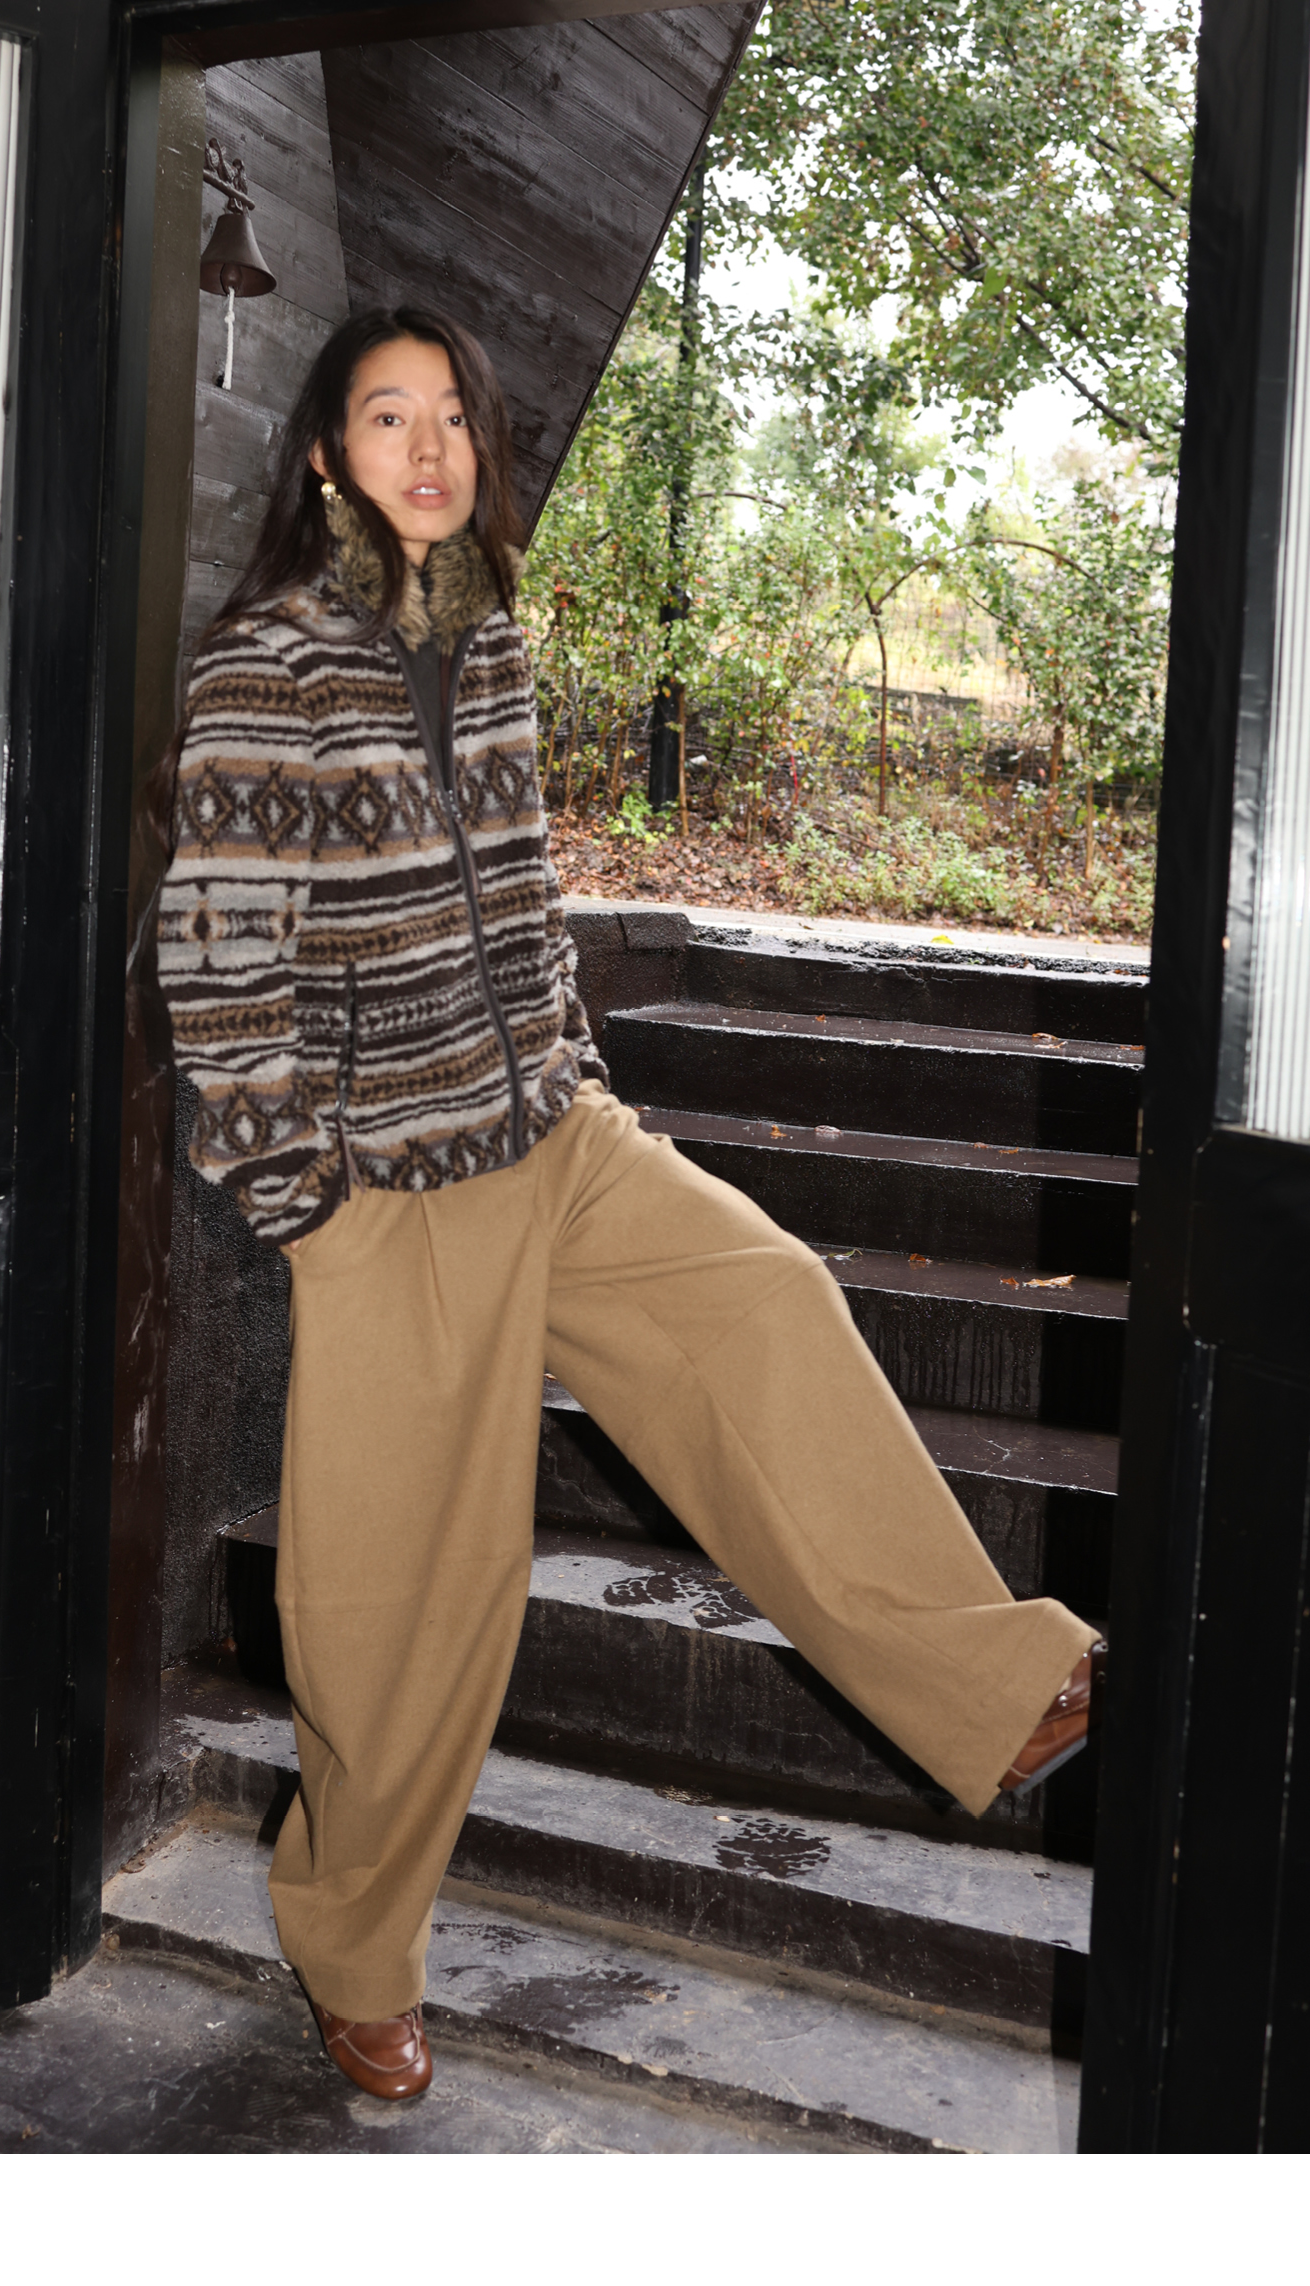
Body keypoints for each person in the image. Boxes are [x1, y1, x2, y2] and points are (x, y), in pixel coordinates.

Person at [154, 305, 1102, 2104]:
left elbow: (525, 898)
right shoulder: (268, 663)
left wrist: (579, 1071)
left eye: (452, 415)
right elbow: (215, 967)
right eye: (388, 417)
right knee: (408, 1604)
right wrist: (311, 1203)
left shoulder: (491, 632)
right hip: (392, 1190)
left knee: (765, 1301)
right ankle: (354, 1952)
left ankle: (999, 1688)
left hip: (555, 1137)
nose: (428, 447)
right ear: (326, 456)